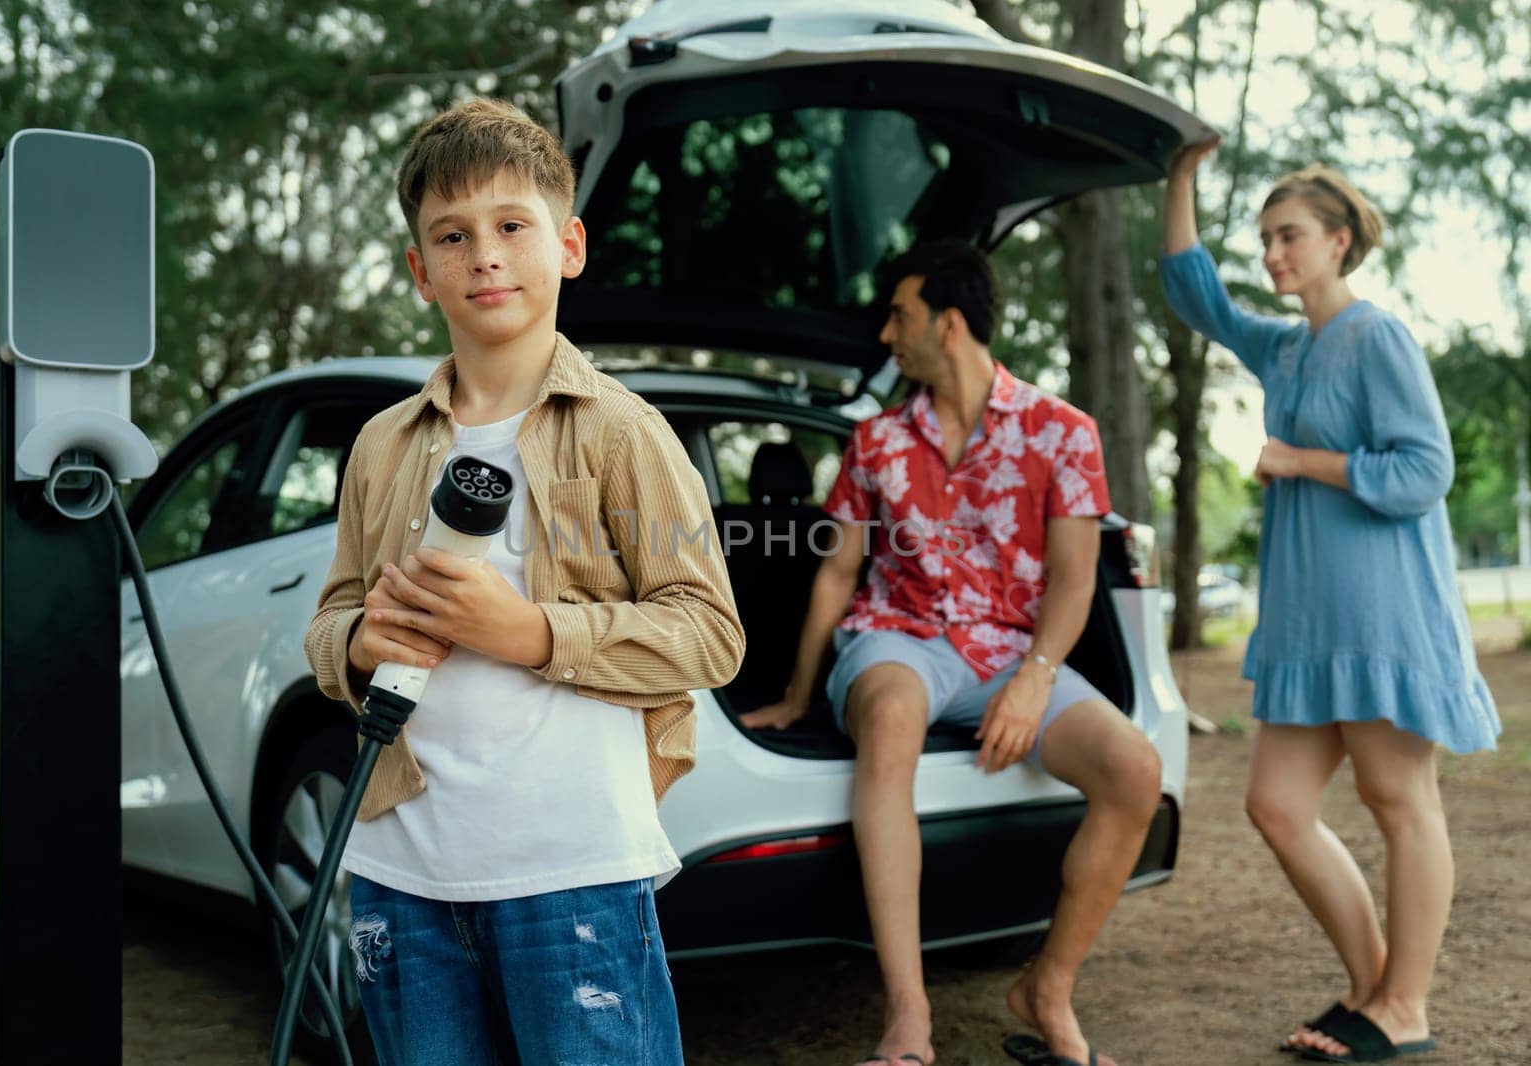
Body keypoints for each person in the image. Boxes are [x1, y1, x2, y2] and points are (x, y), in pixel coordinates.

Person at [303, 98, 744, 1065]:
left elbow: (710, 631)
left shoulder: (624, 433)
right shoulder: (382, 446)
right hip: (399, 869)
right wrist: (358, 644)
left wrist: (531, 632)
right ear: (422, 271)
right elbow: (332, 615)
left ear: (570, 245)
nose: (485, 255)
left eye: (513, 226)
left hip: (571, 870)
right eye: (452, 236)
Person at [743, 239, 1163, 1066]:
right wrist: (800, 692)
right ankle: (909, 1018)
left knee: (1135, 772)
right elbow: (838, 572)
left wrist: (1035, 680)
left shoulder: (1062, 433)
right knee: (894, 713)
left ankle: (1047, 987)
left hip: (1012, 651)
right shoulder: (874, 442)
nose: (888, 337)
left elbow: (1075, 582)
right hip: (895, 640)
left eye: (900, 317)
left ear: (951, 322)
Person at [1161, 142, 1500, 1063]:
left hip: (1384, 614)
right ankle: (1373, 983)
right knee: (1275, 803)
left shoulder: (1377, 335)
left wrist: (1299, 461)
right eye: (1266, 238)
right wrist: (1180, 175)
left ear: (1339, 242)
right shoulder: (1285, 344)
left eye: (1291, 236)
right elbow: (1199, 300)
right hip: (1311, 625)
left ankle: (1407, 1009)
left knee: (1400, 799)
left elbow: (1428, 468)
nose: (1274, 254)